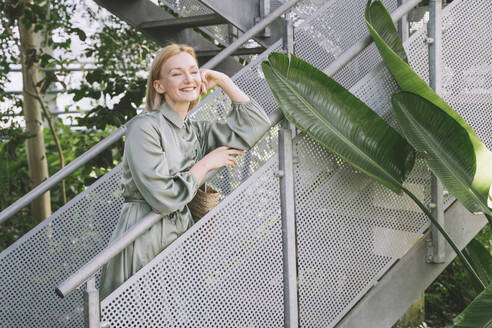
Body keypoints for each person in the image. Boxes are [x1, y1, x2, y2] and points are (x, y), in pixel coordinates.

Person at [99, 43, 271, 299]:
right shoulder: (143, 128)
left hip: (181, 237)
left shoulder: (195, 132)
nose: (189, 79)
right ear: (159, 86)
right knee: (139, 313)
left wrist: (223, 80)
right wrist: (205, 164)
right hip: (144, 235)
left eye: (193, 71)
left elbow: (257, 124)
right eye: (177, 73)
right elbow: (162, 197)